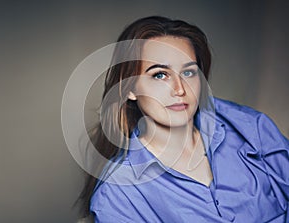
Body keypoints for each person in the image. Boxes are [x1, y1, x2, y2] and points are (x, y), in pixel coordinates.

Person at [77, 16, 289, 222]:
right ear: (129, 89)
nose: (180, 89)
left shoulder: (248, 125)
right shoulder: (118, 195)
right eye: (160, 75)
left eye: (188, 72)